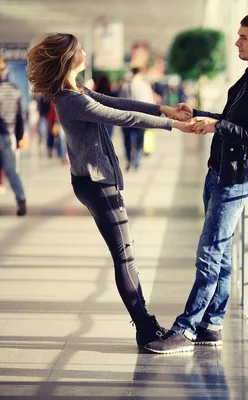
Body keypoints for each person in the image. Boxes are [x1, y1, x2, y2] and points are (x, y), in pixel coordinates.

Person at [26, 33, 196, 347]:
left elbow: (117, 102)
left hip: (92, 181)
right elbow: (121, 117)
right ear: (68, 58)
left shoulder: (75, 91)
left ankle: (145, 324)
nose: (85, 52)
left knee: (124, 256)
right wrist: (175, 125)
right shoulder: (71, 98)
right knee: (125, 257)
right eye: (79, 49)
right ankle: (145, 328)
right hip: (98, 183)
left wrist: (164, 110)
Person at [145, 12, 248, 354]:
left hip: (233, 179)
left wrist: (217, 127)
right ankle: (212, 324)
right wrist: (207, 119)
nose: (236, 42)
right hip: (220, 172)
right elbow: (238, 122)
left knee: (209, 253)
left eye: (243, 37)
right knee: (219, 255)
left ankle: (186, 329)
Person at [0, 55, 27, 216]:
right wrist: (18, 138)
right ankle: (21, 199)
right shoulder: (15, 89)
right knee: (12, 171)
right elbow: (20, 117)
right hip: (9, 135)